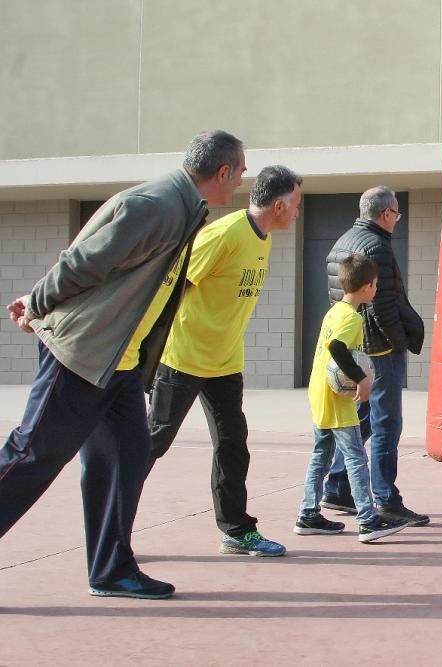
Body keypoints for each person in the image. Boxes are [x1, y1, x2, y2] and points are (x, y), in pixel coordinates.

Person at [0, 130, 246, 599]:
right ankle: (111, 568)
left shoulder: (184, 208)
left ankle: (111, 570)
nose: (240, 182)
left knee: (125, 458)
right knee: (32, 456)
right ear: (223, 172)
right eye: (240, 172)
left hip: (120, 363)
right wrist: (37, 302)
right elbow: (82, 262)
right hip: (83, 356)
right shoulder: (155, 204)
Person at [145, 165, 302, 557]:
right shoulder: (223, 234)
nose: (298, 211)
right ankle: (110, 531)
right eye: (296, 204)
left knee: (234, 444)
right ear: (280, 205)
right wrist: (147, 355)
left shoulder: (262, 239)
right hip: (183, 358)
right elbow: (172, 289)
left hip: (225, 363)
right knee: (150, 445)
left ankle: (236, 529)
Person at [321, 186, 428, 527]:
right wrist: (399, 341)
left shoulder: (343, 240)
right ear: (386, 214)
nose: (397, 219)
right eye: (396, 213)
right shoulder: (377, 246)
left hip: (359, 346)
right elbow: (383, 305)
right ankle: (386, 499)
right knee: (386, 424)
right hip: (379, 349)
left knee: (364, 416)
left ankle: (338, 485)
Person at [299, 253, 409, 542]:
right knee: (356, 458)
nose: (375, 289)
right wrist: (361, 380)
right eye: (374, 285)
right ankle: (368, 520)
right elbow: (337, 347)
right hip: (336, 400)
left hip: (319, 393)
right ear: (367, 287)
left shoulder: (334, 311)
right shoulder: (351, 318)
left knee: (321, 455)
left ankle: (308, 513)